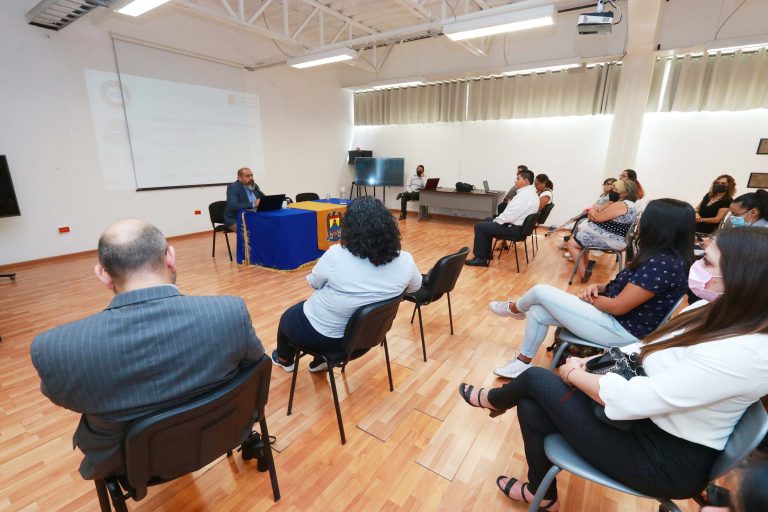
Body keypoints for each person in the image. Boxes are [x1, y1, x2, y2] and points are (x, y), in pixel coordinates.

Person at [459, 227, 768, 511]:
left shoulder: (746, 353)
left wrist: (576, 375)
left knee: (538, 379)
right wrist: (589, 362)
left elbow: (639, 399)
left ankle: (494, 401)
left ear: (743, 279)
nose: (697, 266)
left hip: (664, 459)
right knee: (530, 402)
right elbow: (647, 347)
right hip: (647, 421)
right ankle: (543, 494)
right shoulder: (711, 308)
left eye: (709, 264)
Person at [30, 219, 265, 479]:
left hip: (128, 465)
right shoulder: (230, 313)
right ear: (171, 258)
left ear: (103, 274)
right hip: (221, 433)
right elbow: (255, 363)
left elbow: (67, 398)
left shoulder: (55, 349)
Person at [490, 198, 693, 379]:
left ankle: (514, 309)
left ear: (660, 225)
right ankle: (522, 363)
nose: (638, 222)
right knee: (538, 310)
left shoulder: (664, 264)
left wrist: (588, 299)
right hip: (615, 322)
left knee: (540, 291)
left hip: (622, 331)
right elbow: (628, 286)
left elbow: (617, 307)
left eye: (643, 217)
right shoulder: (660, 257)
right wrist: (599, 286)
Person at [271, 196, 422, 372]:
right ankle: (321, 361)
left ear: (349, 228)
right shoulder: (405, 260)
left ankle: (285, 359)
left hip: (325, 336)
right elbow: (414, 287)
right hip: (367, 338)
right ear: (389, 226)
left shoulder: (336, 255)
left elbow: (313, 283)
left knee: (287, 318)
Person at [565, 179, 638, 281]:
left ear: (625, 193)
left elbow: (597, 218)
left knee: (571, 243)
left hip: (613, 240)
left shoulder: (621, 205)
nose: (612, 192)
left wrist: (592, 212)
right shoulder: (629, 204)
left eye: (615, 190)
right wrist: (594, 211)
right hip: (614, 236)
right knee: (578, 237)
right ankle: (585, 266)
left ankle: (583, 273)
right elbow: (598, 211)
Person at [465, 169, 539, 267]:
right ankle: (486, 254)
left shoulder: (525, 196)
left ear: (525, 181)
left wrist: (497, 220)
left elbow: (509, 216)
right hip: (518, 227)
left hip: (514, 229)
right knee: (487, 220)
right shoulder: (530, 193)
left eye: (518, 179)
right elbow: (513, 213)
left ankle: (480, 259)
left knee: (479, 226)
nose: (515, 181)